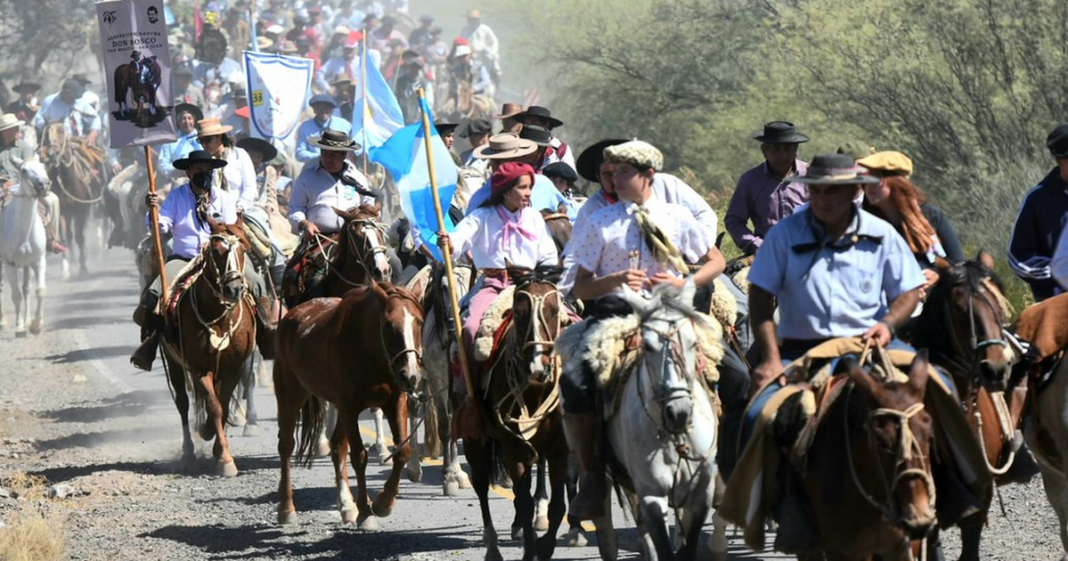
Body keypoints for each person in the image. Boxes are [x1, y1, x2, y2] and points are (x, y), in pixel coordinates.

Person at [745, 153, 924, 551]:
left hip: (872, 345)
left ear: (854, 192)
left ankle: (953, 492)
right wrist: (771, 358)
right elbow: (760, 294)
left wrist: (889, 324)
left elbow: (909, 290)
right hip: (804, 350)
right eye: (816, 191)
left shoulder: (881, 233)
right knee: (762, 414)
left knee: (938, 392)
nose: (822, 200)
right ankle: (778, 506)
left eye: (832, 192)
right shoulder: (785, 234)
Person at [561, 139, 725, 520]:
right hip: (617, 317)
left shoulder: (676, 217)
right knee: (575, 380)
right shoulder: (600, 221)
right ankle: (591, 476)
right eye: (612, 172)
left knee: (732, 373)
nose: (614, 179)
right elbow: (580, 286)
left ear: (647, 175)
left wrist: (687, 282)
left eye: (623, 172)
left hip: (673, 313)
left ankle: (720, 468)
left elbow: (714, 260)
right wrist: (613, 279)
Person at [129, 150, 272, 371]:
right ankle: (150, 343)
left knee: (256, 282)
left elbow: (233, 228)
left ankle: (266, 337)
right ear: (188, 172)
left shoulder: (224, 198)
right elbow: (161, 226)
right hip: (185, 259)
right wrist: (153, 212)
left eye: (208, 170)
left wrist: (222, 235)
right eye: (198, 171)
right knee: (156, 292)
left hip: (222, 258)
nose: (204, 174)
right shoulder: (176, 197)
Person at [436, 161, 559, 360]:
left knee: (571, 322)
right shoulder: (482, 216)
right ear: (506, 191)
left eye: (530, 187)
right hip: (492, 286)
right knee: (470, 329)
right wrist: (448, 242)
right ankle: (467, 388)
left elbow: (548, 256)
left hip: (530, 285)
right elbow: (459, 238)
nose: (528, 193)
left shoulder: (534, 218)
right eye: (522, 187)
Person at [857, 151, 965, 296]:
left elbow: (959, 263)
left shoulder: (930, 215)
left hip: (931, 305)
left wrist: (937, 275)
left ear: (897, 182)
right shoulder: (864, 223)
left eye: (876, 179)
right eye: (865, 179)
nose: (868, 186)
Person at [724, 121, 810, 255]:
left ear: (796, 150)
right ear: (764, 150)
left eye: (788, 149)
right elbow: (734, 221)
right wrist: (756, 244)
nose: (782, 156)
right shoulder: (750, 180)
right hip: (768, 254)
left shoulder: (812, 175)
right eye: (776, 149)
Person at [1009, 122, 1068, 301]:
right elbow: (1018, 257)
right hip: (1057, 305)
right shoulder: (1037, 200)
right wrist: (1059, 272)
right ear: (1059, 160)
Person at [0, 113, 65, 254]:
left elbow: (31, 168)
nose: (19, 131)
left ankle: (52, 239)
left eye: (18, 128)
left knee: (53, 200)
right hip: (2, 188)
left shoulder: (24, 147)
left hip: (25, 185)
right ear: (6, 131)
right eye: (15, 128)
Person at [195, 117, 257, 213]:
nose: (204, 145)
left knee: (258, 227)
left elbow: (250, 187)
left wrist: (240, 207)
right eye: (201, 141)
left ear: (219, 137)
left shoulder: (239, 154)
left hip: (242, 209)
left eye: (207, 140)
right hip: (214, 211)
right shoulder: (205, 163)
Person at [33, 79, 101, 146]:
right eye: (71, 97)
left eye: (74, 98)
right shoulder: (50, 102)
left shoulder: (80, 102)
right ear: (64, 93)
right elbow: (39, 117)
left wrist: (93, 133)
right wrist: (46, 127)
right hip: (55, 142)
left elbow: (95, 118)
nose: (73, 100)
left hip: (78, 141)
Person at [513, 106, 575, 170]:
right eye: (527, 123)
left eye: (533, 123)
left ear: (546, 125)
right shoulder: (517, 143)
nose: (529, 126)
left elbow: (569, 174)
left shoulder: (561, 149)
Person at [295, 94, 352, 163]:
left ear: (331, 109)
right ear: (314, 110)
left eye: (326, 108)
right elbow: (300, 153)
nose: (323, 111)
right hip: (315, 167)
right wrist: (319, 156)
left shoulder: (344, 125)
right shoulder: (305, 127)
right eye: (319, 108)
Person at [157, 103, 203, 181]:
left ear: (194, 120)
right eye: (183, 119)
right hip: (178, 180)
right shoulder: (170, 141)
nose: (187, 122)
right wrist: (178, 169)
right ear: (178, 121)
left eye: (189, 118)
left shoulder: (203, 138)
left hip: (201, 177)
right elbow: (162, 165)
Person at [460, 9, 501, 85]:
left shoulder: (485, 29)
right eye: (470, 19)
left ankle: (496, 80)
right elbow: (462, 43)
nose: (472, 21)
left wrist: (491, 51)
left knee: (493, 65)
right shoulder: (465, 30)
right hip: (470, 56)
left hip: (483, 55)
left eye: (474, 19)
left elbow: (494, 41)